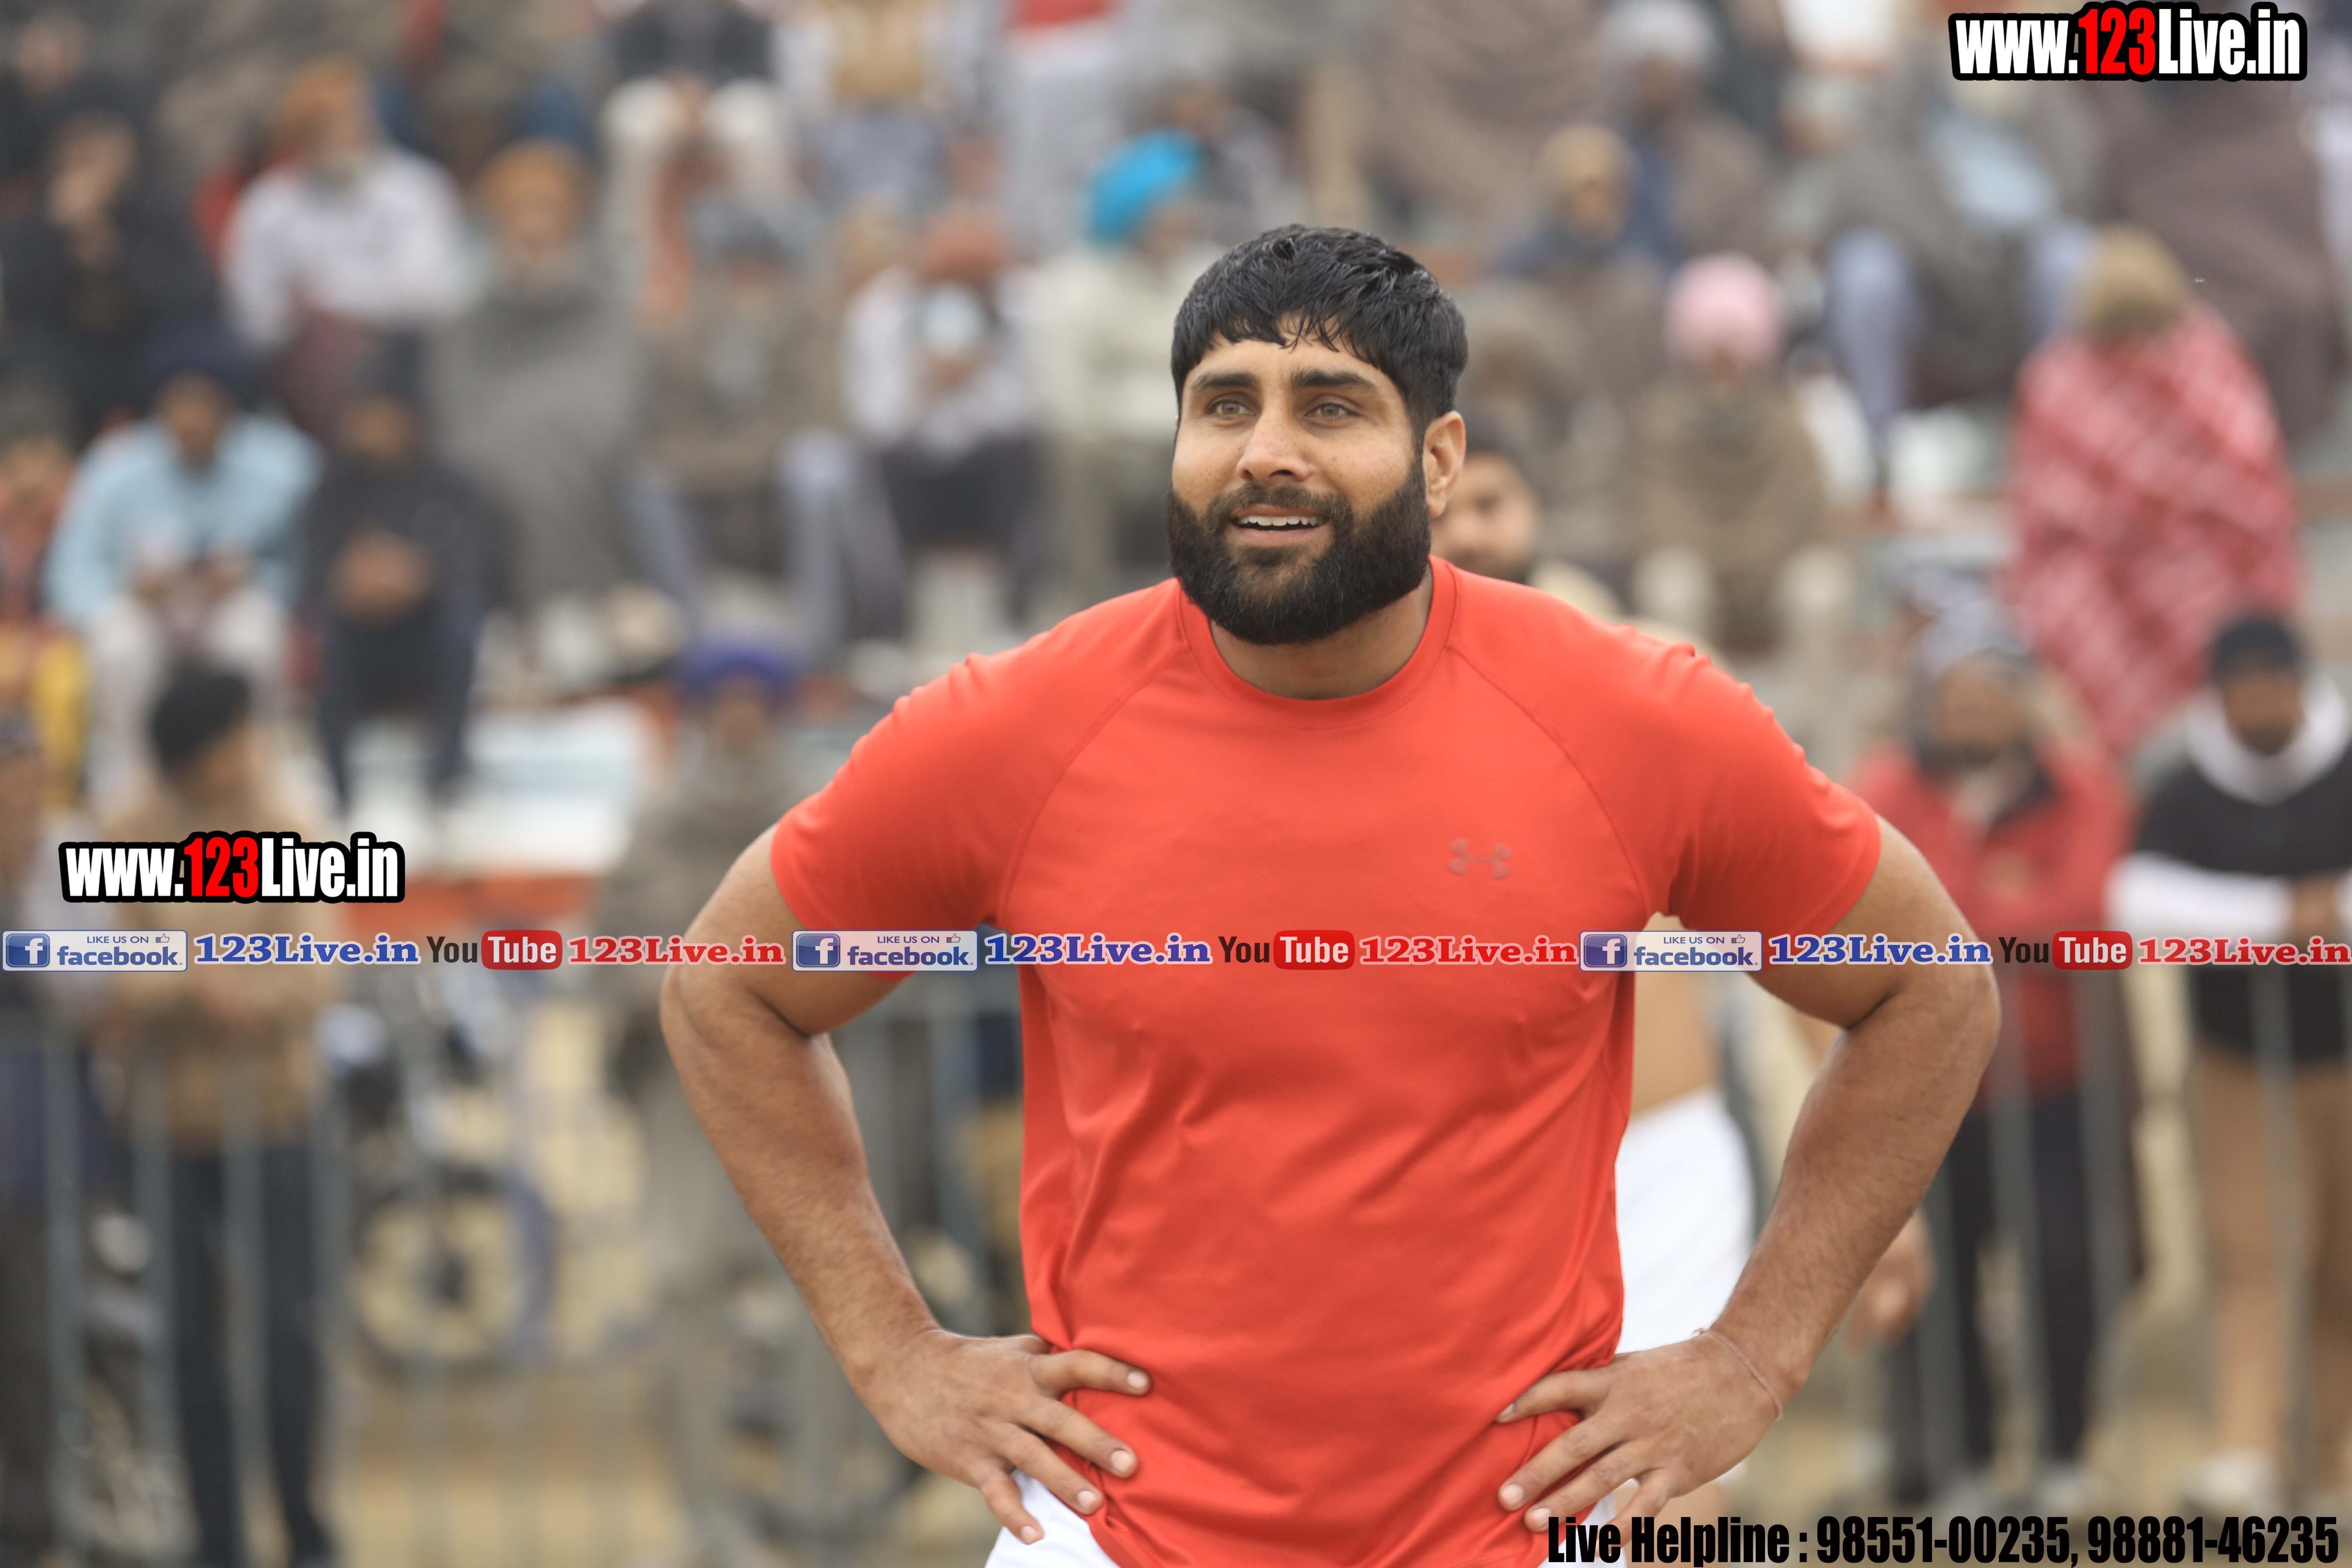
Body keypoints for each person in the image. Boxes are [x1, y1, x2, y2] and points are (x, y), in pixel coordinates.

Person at [664, 225, 1998, 1564]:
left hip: (1516, 1538)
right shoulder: (1017, 728)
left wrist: (1753, 1360)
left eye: (1331, 406)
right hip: (1113, 1533)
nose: (1266, 451)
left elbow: (1929, 986)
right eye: (1223, 406)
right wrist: (896, 1356)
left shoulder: (1630, 718)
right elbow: (729, 986)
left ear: (1440, 459)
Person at [1854, 605, 2132, 1515]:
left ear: (2025, 701)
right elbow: (1864, 903)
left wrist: (1951, 917)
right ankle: (1956, 1462)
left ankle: (2062, 1455)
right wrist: (2002, 907)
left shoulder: (2080, 787)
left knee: (2066, 1264)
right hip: (1917, 1086)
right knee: (1934, 1276)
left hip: (2055, 1081)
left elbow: (2083, 913)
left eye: (1990, 693)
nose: (1971, 712)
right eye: (1955, 695)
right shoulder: (1885, 784)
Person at [92, 666, 339, 1568]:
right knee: (187, 1345)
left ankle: (304, 1526)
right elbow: (102, 968)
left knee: (285, 1332)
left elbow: (322, 965)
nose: (247, 751)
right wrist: (193, 981)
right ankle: (217, 1537)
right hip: (163, 1124)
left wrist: (248, 992)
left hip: (275, 1114)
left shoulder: (286, 822)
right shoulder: (129, 828)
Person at [2109, 614, 2352, 1512]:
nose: (2259, 703)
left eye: (2272, 684)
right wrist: (2285, 918)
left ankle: (2333, 1465)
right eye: (2241, 688)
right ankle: (2248, 1452)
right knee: (2252, 1257)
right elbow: (2139, 902)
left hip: (2346, 1062)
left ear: (2302, 683)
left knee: (2344, 1270)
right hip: (2238, 1064)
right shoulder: (2185, 790)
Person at [595, 638, 805, 1566]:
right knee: (685, 1291)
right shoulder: (657, 820)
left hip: (811, 1089)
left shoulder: (826, 808)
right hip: (686, 1087)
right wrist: (710, 990)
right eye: (724, 698)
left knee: (827, 1298)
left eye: (754, 697)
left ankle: (820, 1510)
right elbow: (613, 947)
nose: (739, 716)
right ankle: (707, 1518)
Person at [2002, 228, 2302, 765]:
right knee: (2072, 594)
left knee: (2219, 616)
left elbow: (2249, 485)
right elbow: (2048, 506)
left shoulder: (2207, 360)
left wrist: (2165, 514)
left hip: (2208, 570)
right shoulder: (2061, 376)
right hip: (2102, 580)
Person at [430, 140, 672, 693]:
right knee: (510, 458)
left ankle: (573, 604)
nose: (533, 226)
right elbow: (456, 406)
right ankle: (521, 616)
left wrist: (550, 423)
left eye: (546, 209)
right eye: (519, 211)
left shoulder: (605, 308)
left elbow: (616, 396)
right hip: (498, 458)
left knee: (561, 453)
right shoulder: (469, 319)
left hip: (587, 460)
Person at [45, 322, 318, 805]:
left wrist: (256, 580)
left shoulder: (284, 465)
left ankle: (255, 783)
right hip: (145, 610)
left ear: (230, 406)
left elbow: (310, 563)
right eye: (179, 403)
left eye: (204, 404)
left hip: (233, 607)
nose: (191, 418)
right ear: (159, 406)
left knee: (253, 636)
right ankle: (131, 789)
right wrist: (126, 591)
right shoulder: (115, 465)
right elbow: (71, 569)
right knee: (118, 643)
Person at [1820, 32, 2100, 479]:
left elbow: (2076, 190)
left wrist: (2000, 242)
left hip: (2018, 286)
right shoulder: (1906, 81)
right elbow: (1866, 182)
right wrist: (1954, 245)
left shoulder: (2048, 86)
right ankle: (1878, 456)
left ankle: (2068, 454)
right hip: (1929, 283)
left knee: (2073, 260)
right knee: (1865, 270)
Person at [1626, 253, 1846, 749]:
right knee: (1671, 584)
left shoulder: (1789, 424)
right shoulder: (1660, 422)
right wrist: (1736, 556)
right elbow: (1660, 522)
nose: (1724, 367)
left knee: (1822, 589)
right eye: (1712, 351)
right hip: (1704, 578)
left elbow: (1811, 521)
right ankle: (1686, 741)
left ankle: (1819, 755)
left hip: (1773, 578)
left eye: (1736, 350)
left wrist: (1748, 560)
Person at [297, 334, 508, 812]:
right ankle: (338, 789)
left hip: (425, 635)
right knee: (323, 640)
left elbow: (479, 572)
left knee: (461, 630)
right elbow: (311, 578)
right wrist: (349, 583)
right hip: (359, 637)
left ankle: (448, 779)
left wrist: (419, 577)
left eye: (379, 414)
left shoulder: (451, 484)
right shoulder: (334, 488)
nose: (367, 427)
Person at [219, 57, 468, 435]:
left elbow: (431, 296)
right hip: (300, 366)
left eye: (352, 118)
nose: (344, 133)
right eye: (325, 126)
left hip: (401, 358)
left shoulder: (417, 188)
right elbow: (255, 321)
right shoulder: (268, 206)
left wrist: (328, 299)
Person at [1029, 130, 1222, 612]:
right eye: (1170, 204)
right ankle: (1087, 599)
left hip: (1190, 431)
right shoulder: (1075, 283)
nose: (1184, 215)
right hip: (1109, 440)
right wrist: (1114, 425)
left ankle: (1215, 599)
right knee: (1074, 455)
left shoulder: (1211, 274)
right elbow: (1065, 388)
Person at [0, 108, 215, 440]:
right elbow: (24, 306)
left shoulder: (158, 213)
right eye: (80, 160)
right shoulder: (35, 227)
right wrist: (65, 241)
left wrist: (113, 254)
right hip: (66, 353)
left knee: (197, 365)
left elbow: (193, 293)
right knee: (29, 383)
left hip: (145, 345)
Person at [1599, 0, 1774, 270]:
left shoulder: (1730, 158)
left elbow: (1747, 253)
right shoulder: (1598, 146)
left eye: (1664, 70)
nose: (1654, 84)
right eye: (1645, 70)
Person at [0, 717, 54, 1568]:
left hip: (32, 1154)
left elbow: (87, 976)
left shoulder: (62, 855)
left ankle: (30, 1527)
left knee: (30, 1345)